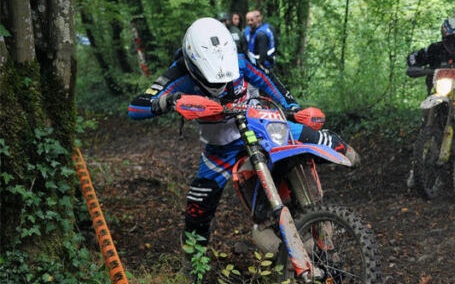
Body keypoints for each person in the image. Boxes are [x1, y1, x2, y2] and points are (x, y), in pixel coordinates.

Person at [128, 17, 354, 257]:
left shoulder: (240, 60)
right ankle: (193, 264)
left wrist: (294, 108)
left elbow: (269, 81)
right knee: (198, 206)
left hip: (263, 125)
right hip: (221, 148)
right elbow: (136, 107)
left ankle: (335, 186)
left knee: (325, 141)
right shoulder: (178, 73)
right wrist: (171, 101)